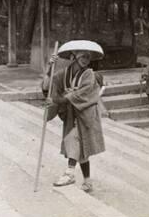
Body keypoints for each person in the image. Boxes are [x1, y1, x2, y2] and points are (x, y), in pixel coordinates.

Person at [41, 40, 106, 193]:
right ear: (74, 56)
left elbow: (81, 94)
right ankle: (88, 181)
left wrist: (59, 99)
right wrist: (50, 68)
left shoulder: (89, 74)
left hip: (85, 113)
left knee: (73, 139)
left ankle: (70, 173)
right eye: (83, 56)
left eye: (88, 57)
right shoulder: (65, 73)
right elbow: (48, 85)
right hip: (71, 113)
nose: (86, 59)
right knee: (80, 147)